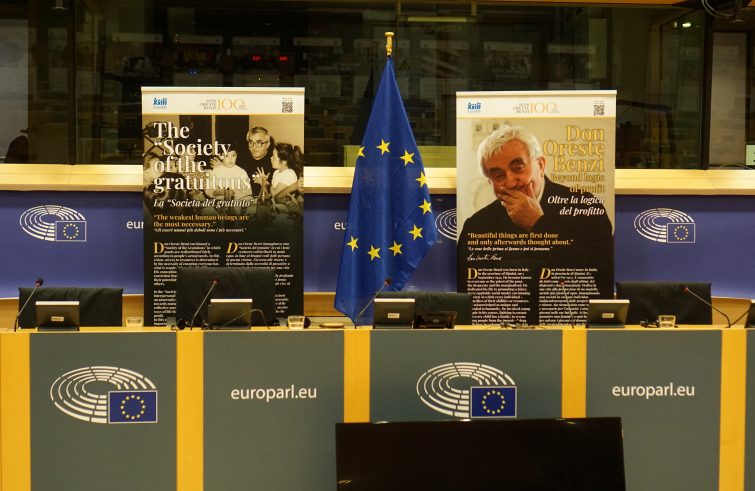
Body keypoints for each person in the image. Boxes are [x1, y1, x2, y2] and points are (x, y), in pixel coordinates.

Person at [457, 124, 613, 299]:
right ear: (490, 183)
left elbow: (599, 281)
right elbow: (470, 296)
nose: (511, 182)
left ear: (541, 165)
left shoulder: (585, 207)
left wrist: (539, 224)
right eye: (498, 176)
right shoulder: (476, 226)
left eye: (518, 168)